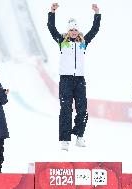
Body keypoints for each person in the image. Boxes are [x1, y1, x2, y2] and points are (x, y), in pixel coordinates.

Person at [47, 3, 101, 151]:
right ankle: (65, 139)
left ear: (78, 31)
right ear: (68, 31)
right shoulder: (62, 42)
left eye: (76, 30)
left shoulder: (83, 43)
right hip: (65, 80)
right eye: (71, 29)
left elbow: (94, 30)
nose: (73, 32)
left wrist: (97, 14)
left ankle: (79, 136)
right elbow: (51, 28)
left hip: (79, 80)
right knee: (65, 109)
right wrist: (52, 12)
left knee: (82, 109)